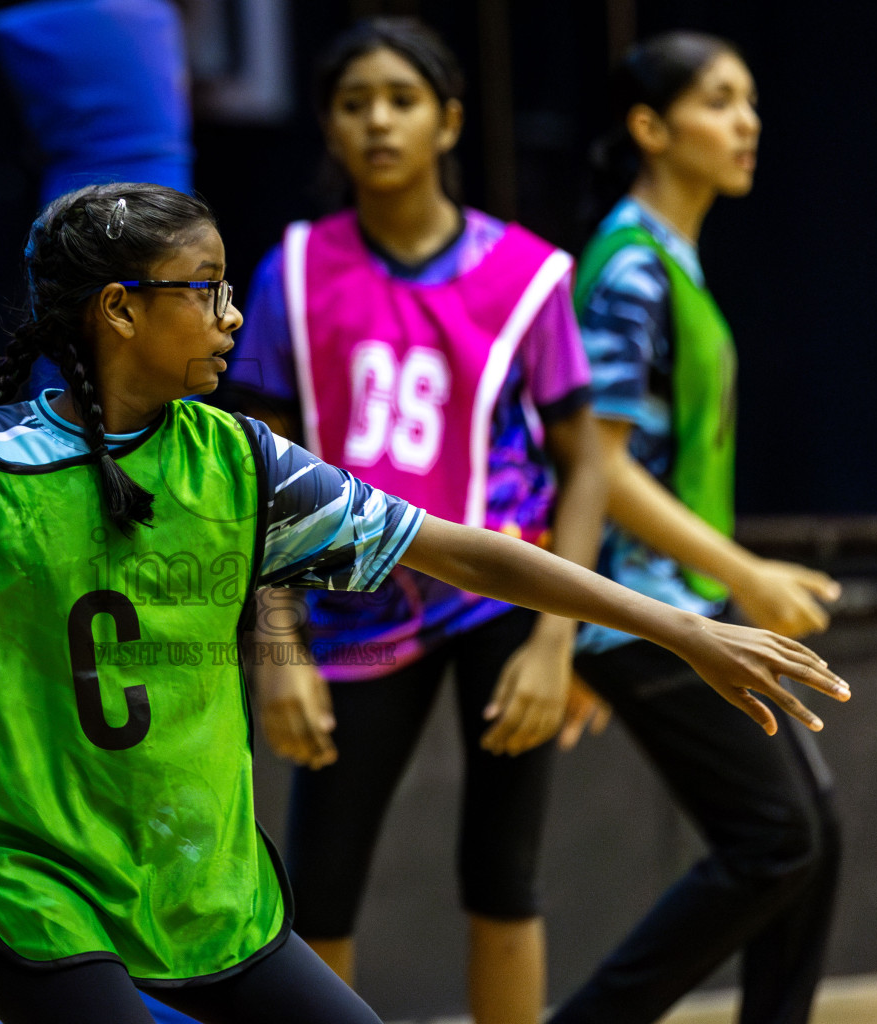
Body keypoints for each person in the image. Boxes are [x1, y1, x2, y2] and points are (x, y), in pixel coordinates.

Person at [0, 181, 847, 1024]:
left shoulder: (236, 462)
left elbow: (463, 550)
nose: (231, 314)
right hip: (14, 876)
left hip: (196, 881)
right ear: (120, 312)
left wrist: (676, 623)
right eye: (202, 289)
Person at [220, 18, 601, 1022]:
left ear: (449, 122)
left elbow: (585, 464)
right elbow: (250, 474)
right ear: (329, 129)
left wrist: (557, 641)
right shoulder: (291, 274)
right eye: (354, 104)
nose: (378, 121)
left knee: (503, 876)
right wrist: (275, 646)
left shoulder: (529, 276)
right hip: (349, 609)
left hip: (499, 598)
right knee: (317, 887)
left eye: (402, 99)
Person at [550, 32, 844, 1024]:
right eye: (719, 101)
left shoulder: (668, 261)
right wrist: (745, 576)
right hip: (641, 610)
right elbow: (601, 468)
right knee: (777, 840)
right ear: (648, 127)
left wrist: (737, 577)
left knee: (809, 839)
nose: (746, 122)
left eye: (750, 101)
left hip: (682, 601)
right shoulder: (629, 269)